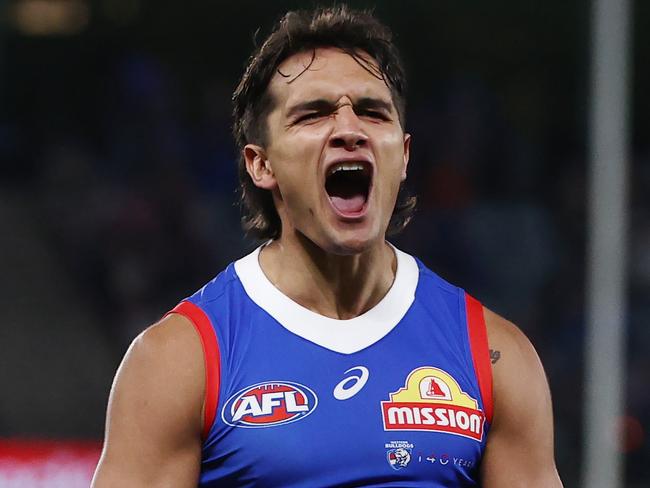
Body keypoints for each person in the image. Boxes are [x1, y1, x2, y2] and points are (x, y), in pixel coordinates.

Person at [92, 6, 563, 487]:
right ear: (261, 164)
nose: (348, 129)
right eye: (313, 114)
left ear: (402, 156)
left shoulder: (493, 355)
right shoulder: (178, 360)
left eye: (372, 111)